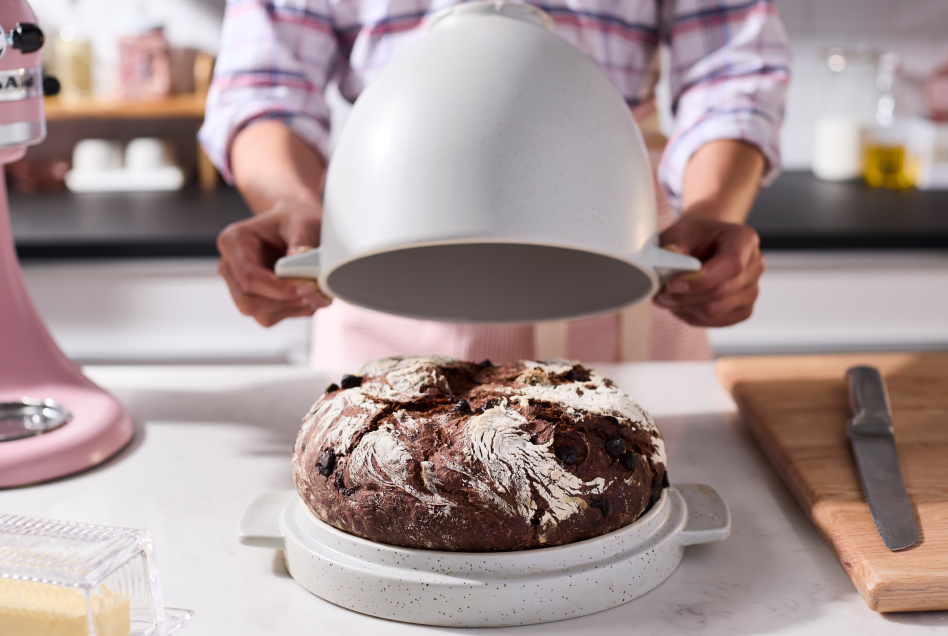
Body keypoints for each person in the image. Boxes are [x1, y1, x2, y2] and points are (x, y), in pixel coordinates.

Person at [200, 0, 790, 367]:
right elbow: (265, 85)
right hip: (383, 258)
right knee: (383, 486)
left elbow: (732, 71)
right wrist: (288, 200)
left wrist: (712, 207)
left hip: (617, 254)